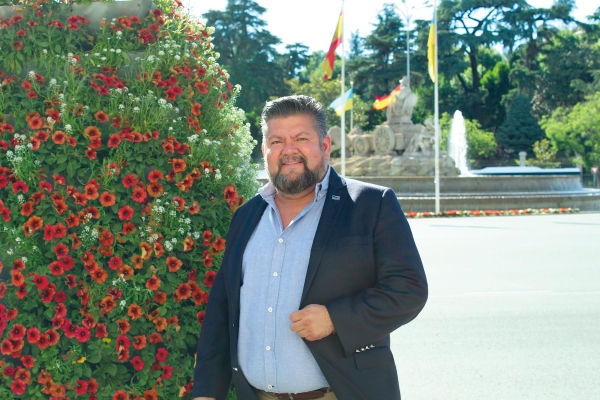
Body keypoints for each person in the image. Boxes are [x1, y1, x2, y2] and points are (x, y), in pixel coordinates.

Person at [192, 95, 427, 400]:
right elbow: (222, 310)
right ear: (264, 150)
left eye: (301, 138)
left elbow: (408, 289)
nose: (288, 150)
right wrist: (207, 392)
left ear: (325, 145)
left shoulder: (371, 205)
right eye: (276, 141)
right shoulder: (246, 216)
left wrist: (335, 319)